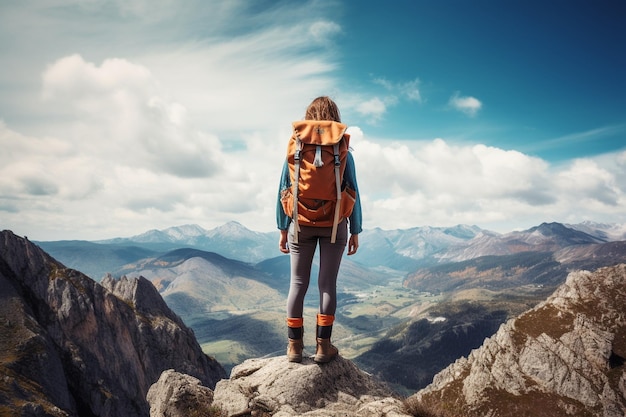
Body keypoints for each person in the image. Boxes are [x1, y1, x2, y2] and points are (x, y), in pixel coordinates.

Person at [276, 96, 362, 363]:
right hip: (335, 225)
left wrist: (282, 228)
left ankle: (294, 348)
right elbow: (354, 190)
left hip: (300, 225)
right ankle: (323, 347)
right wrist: (356, 230)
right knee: (327, 285)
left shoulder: (296, 148)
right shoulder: (342, 149)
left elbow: (283, 189)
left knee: (297, 284)